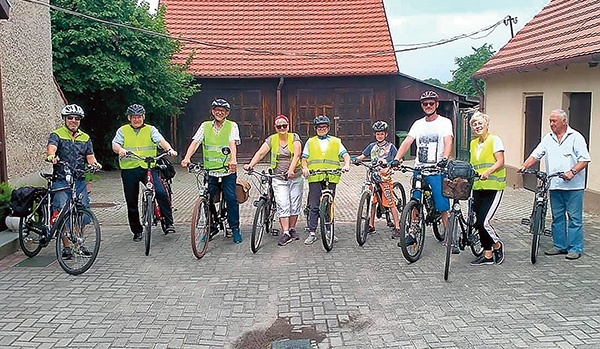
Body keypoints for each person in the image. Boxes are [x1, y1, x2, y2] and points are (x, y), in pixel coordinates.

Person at [519, 109, 591, 260]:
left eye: (554, 121)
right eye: (550, 121)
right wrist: (525, 166)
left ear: (564, 122)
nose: (551, 124)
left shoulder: (575, 137)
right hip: (555, 184)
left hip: (574, 186)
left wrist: (572, 172)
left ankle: (575, 248)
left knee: (574, 218)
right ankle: (560, 246)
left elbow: (584, 159)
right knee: (557, 217)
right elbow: (536, 154)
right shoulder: (548, 138)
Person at [392, 90, 453, 245]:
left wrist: (445, 159)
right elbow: (407, 142)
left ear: (436, 104)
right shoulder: (418, 124)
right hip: (420, 169)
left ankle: (450, 237)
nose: (428, 106)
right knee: (415, 200)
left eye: (431, 103)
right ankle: (412, 233)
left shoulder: (444, 122)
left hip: (437, 169)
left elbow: (448, 142)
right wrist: (397, 159)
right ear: (422, 106)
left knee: (442, 204)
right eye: (425, 104)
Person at [112, 104, 178, 242]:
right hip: (129, 169)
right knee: (131, 202)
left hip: (148, 167)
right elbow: (115, 144)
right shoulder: (122, 130)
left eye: (139, 117)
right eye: (134, 117)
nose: (137, 120)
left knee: (160, 192)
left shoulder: (150, 129)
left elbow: (160, 141)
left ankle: (168, 221)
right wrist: (120, 150)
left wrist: (169, 149)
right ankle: (137, 231)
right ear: (129, 118)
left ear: (143, 117)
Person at [181, 98, 243, 243]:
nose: (219, 112)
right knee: (206, 198)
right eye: (216, 109)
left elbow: (232, 143)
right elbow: (195, 142)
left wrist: (233, 159)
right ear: (212, 111)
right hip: (210, 171)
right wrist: (187, 158)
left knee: (231, 198)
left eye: (222, 110)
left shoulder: (232, 126)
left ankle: (234, 228)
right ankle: (212, 226)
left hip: (227, 170)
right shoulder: (205, 126)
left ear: (227, 113)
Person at [46, 104, 102, 259]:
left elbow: (90, 157)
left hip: (79, 180)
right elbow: (51, 149)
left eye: (76, 118)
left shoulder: (85, 137)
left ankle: (79, 244)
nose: (73, 120)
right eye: (70, 118)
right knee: (62, 212)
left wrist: (94, 164)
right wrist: (52, 156)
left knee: (82, 213)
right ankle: (66, 247)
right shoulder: (56, 134)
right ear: (65, 119)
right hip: (61, 179)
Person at [244, 114, 303, 246]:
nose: (282, 128)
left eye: (284, 125)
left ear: (288, 126)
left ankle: (292, 229)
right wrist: (250, 165)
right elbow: (260, 153)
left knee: (295, 203)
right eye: (279, 126)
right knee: (283, 204)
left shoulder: (294, 137)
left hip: (295, 176)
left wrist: (291, 170)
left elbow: (297, 155)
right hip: (278, 177)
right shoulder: (272, 139)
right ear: (275, 127)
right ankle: (285, 232)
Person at [301, 115, 351, 245]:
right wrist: (305, 168)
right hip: (315, 176)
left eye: (324, 127)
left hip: (331, 175)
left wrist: (346, 165)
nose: (321, 129)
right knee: (314, 205)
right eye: (319, 127)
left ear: (328, 128)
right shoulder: (310, 142)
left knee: (329, 204)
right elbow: (304, 158)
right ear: (316, 129)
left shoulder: (336, 141)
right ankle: (312, 232)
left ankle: (329, 230)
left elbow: (345, 155)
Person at [468, 112, 506, 266]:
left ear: (486, 124)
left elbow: (501, 161)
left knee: (484, 222)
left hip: (493, 186)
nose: (477, 126)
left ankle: (497, 245)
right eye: (474, 124)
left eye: (479, 123)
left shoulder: (495, 140)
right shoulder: (473, 144)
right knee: (478, 222)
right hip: (477, 187)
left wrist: (488, 172)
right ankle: (487, 254)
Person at [353, 120, 401, 238]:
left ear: (386, 134)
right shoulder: (371, 146)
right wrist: (356, 160)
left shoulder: (391, 147)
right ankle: (371, 225)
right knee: (372, 202)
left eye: (382, 134)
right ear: (375, 134)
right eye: (378, 134)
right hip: (373, 177)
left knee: (390, 203)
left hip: (385, 178)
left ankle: (398, 226)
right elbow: (363, 156)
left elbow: (399, 159)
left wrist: (392, 163)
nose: (380, 136)